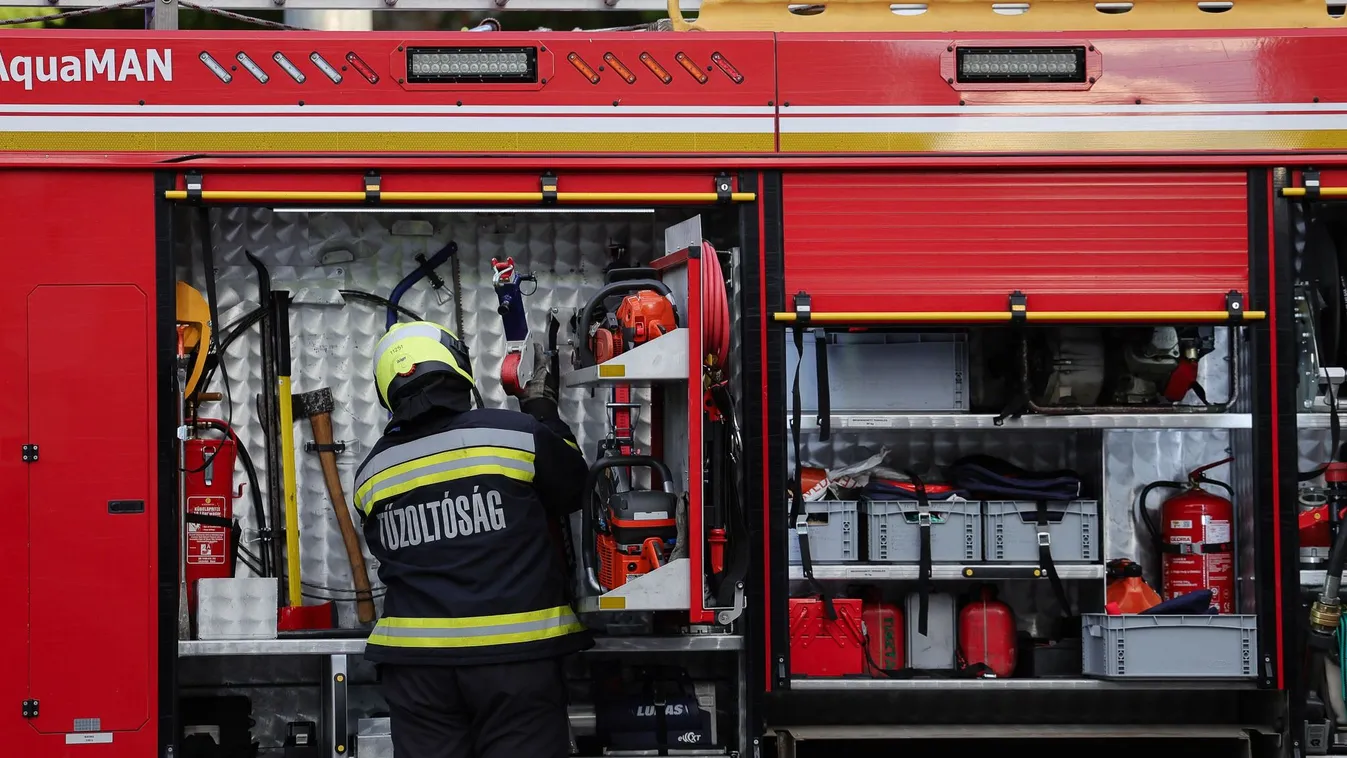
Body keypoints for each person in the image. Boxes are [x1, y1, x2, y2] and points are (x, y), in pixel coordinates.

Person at [352, 320, 592, 758]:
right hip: (516, 664)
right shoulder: (515, 436)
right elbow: (576, 488)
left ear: (387, 389)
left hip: (418, 675)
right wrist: (541, 409)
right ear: (455, 367)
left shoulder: (371, 474)